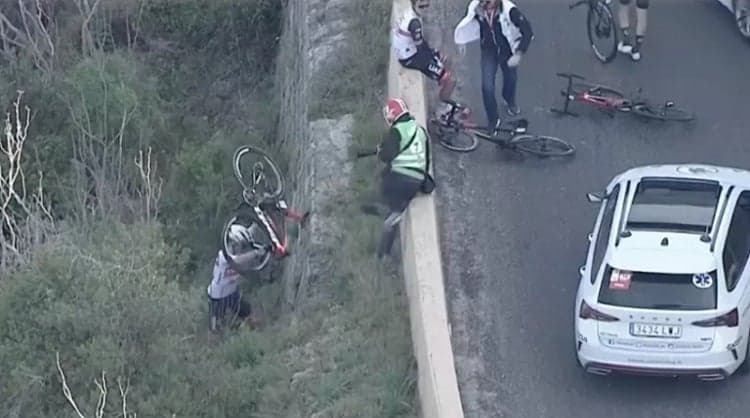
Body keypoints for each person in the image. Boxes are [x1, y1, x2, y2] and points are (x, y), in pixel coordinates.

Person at [361, 98, 435, 259]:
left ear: (391, 116)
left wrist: (381, 153)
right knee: (396, 203)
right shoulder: (421, 130)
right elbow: (428, 159)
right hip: (417, 180)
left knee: (385, 181)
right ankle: (390, 213)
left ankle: (383, 247)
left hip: (399, 178)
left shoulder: (397, 131)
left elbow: (387, 156)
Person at [454, 0, 533, 127]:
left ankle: (509, 100)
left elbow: (527, 31)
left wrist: (518, 54)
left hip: (506, 49)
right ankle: (493, 119)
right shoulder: (476, 7)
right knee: (487, 86)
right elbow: (467, 21)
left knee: (510, 79)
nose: (484, 4)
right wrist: (461, 40)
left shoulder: (509, 10)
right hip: (488, 51)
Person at [393, 0, 461, 121]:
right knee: (449, 79)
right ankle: (441, 109)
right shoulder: (414, 23)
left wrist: (435, 54)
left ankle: (443, 97)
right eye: (422, 5)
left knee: (445, 60)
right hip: (410, 57)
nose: (426, 7)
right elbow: (421, 52)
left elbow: (421, 44)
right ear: (414, 4)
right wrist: (436, 62)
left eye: (427, 3)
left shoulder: (411, 14)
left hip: (409, 52)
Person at [207, 224, 265, 331]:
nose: (242, 248)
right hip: (218, 298)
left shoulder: (235, 251)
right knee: (217, 330)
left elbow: (248, 232)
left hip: (232, 294)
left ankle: (256, 335)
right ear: (233, 244)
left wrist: (258, 222)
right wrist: (255, 253)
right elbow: (237, 260)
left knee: (249, 315)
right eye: (240, 245)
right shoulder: (224, 255)